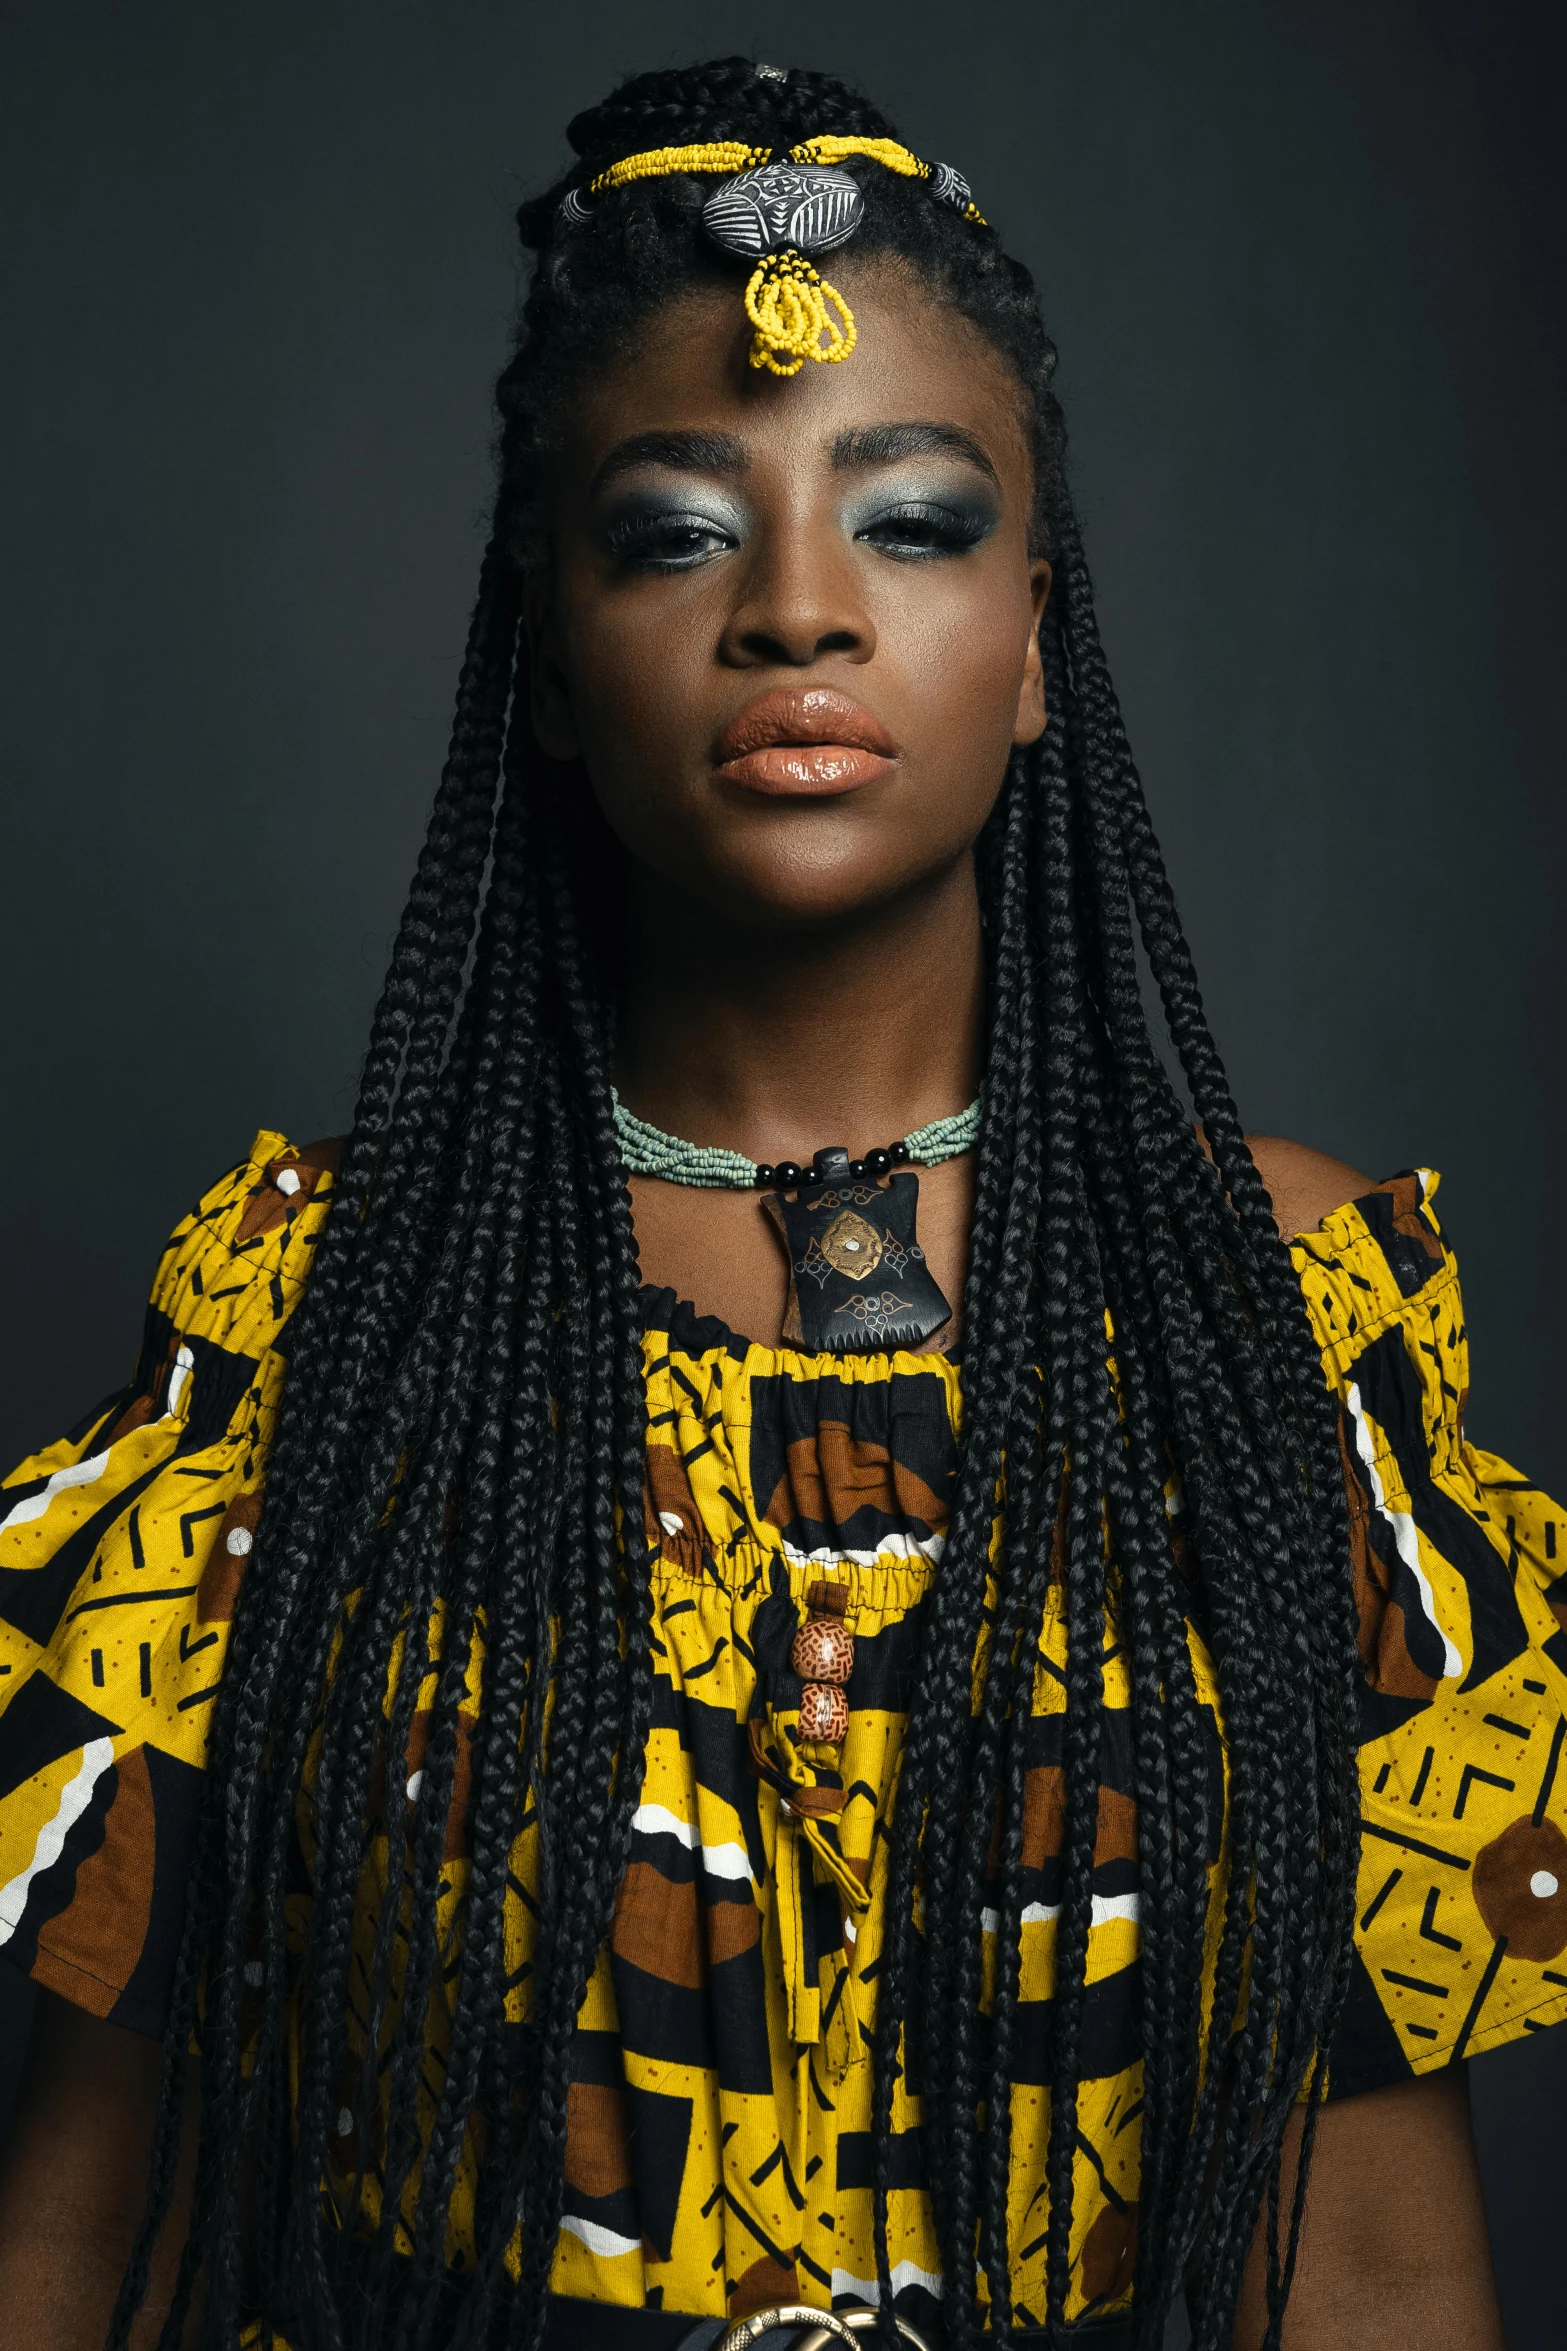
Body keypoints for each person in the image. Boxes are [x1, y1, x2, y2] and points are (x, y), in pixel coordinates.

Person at [0, 54, 1556, 2351]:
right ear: (545, 651)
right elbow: (89, 2226)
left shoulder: (1280, 1320)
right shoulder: (308, 1319)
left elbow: (1379, 2251)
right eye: (677, 528)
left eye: (914, 518)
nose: (799, 609)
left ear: (1039, 643)